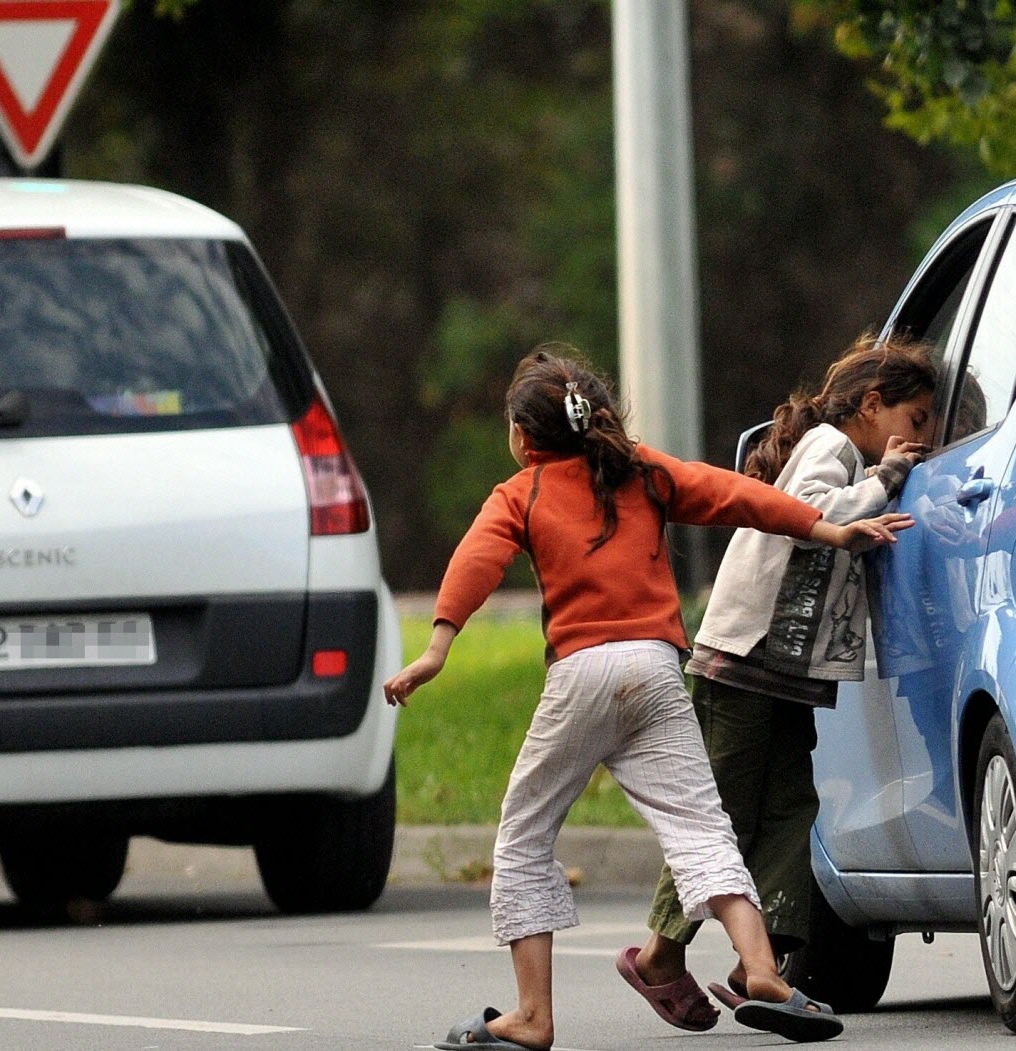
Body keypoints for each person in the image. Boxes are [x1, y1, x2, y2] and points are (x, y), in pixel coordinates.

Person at [383, 345, 913, 1051]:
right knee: (701, 828)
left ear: (520, 435)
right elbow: (738, 497)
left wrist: (436, 648)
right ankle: (761, 971)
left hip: (582, 673)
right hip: (659, 668)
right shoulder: (644, 471)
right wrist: (826, 527)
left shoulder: (522, 492)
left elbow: (475, 560)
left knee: (523, 835)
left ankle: (532, 1016)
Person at [617, 333, 937, 1032]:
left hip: (791, 672)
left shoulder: (852, 450)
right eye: (914, 422)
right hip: (744, 657)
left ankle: (761, 961)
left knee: (792, 804)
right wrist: (883, 477)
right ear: (872, 404)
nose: (918, 442)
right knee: (724, 811)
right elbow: (810, 521)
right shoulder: (831, 447)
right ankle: (659, 954)